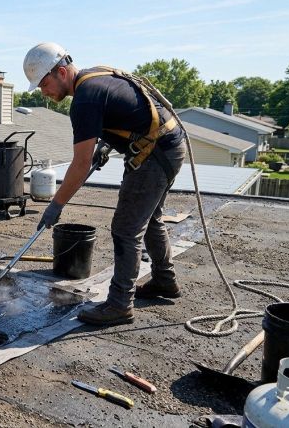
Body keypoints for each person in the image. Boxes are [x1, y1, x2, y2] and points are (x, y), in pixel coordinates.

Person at [23, 43, 186, 326]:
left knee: (126, 229)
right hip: (168, 143)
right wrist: (107, 142)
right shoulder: (95, 77)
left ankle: (120, 305)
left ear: (61, 72)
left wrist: (56, 205)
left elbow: (80, 164)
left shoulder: (84, 99)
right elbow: (126, 112)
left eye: (44, 84)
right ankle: (164, 280)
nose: (43, 92)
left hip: (156, 153)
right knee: (150, 219)